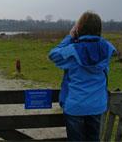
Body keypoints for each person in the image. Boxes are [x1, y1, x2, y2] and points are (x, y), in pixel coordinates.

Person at [48, 11, 116, 141]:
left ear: (79, 29)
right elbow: (97, 44)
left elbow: (53, 55)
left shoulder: (73, 50)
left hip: (75, 106)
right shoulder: (107, 48)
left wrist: (70, 37)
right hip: (97, 105)